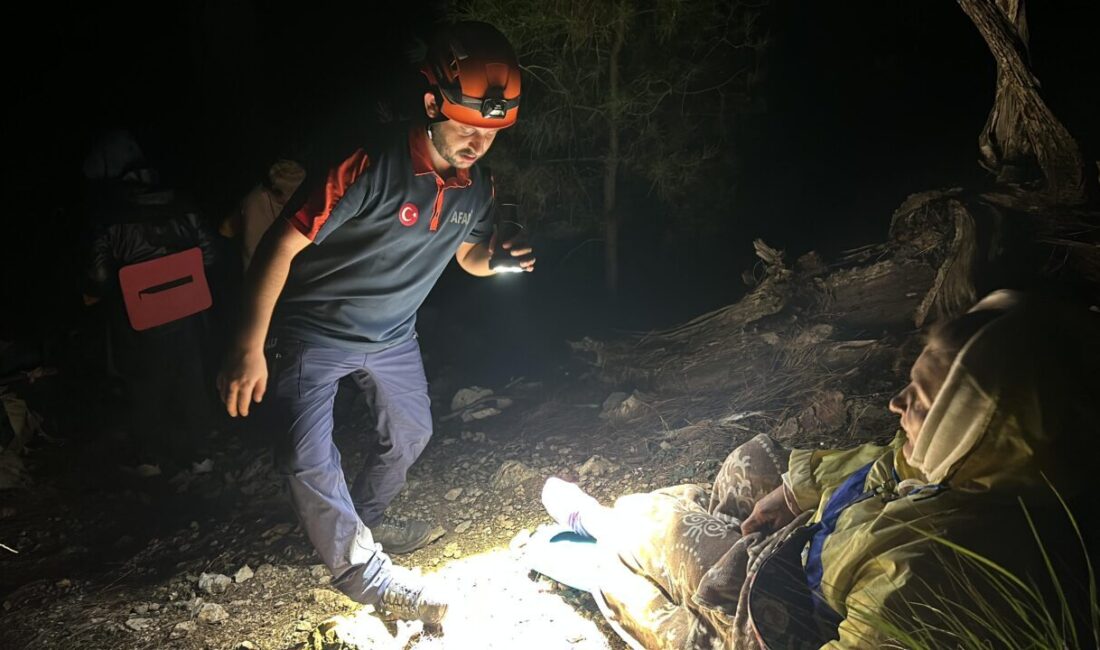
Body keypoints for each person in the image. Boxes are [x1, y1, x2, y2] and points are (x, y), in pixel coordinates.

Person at [539, 290, 1097, 649]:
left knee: (661, 530)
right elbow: (887, 464)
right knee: (749, 466)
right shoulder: (982, 468)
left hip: (793, 620)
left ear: (977, 430)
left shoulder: (931, 571)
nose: (896, 404)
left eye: (921, 401)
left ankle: (599, 534)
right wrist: (796, 491)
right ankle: (659, 533)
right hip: (826, 552)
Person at [217, 21, 532, 623]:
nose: (476, 141)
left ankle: (366, 517)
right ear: (432, 102)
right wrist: (248, 345)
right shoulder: (368, 162)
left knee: (412, 433)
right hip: (314, 329)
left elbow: (466, 255)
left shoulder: (476, 186)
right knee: (306, 455)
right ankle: (366, 573)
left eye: (490, 132)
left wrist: (496, 260)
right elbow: (278, 247)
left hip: (392, 336)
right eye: (465, 125)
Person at [82, 128, 217, 477]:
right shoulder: (182, 205)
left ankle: (150, 459)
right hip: (189, 309)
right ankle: (200, 455)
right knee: (190, 376)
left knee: (143, 382)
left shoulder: (109, 217)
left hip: (138, 316)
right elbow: (210, 255)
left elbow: (97, 277)